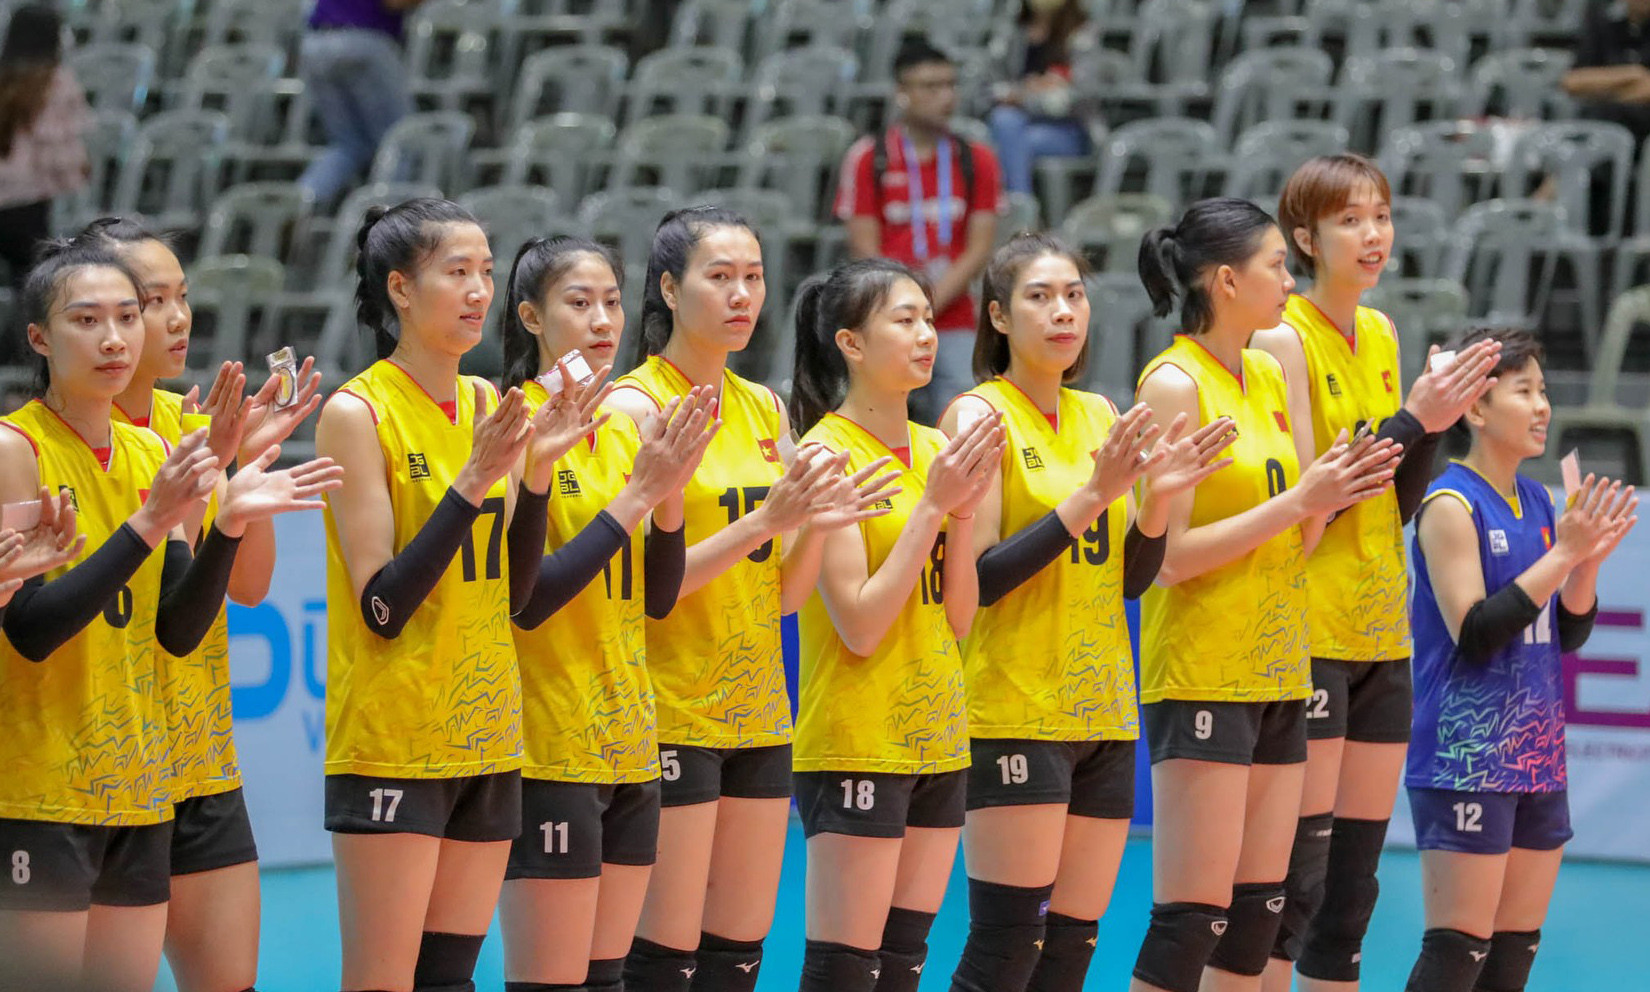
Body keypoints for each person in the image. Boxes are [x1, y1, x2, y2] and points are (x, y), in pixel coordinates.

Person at [0, 237, 339, 992]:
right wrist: (152, 521)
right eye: (88, 319)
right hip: (40, 790)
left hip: (143, 789)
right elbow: (29, 632)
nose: (116, 338)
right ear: (39, 338)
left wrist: (228, 518)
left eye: (129, 316)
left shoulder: (154, 450)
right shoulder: (15, 448)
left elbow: (179, 629)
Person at [313, 197, 612, 992]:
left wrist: (536, 476)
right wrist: (474, 481)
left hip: (490, 737)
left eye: (485, 271)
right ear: (401, 289)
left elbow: (518, 591)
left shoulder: (487, 402)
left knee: (450, 979)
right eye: (457, 272)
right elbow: (382, 606)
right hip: (393, 739)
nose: (480, 290)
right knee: (383, 980)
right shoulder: (356, 412)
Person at [607, 207, 893, 992]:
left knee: (737, 955)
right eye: (720, 277)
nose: (741, 295)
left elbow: (783, 599)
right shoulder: (632, 408)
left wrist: (814, 527)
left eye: (754, 277)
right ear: (670, 289)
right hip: (666, 710)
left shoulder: (764, 407)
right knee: (664, 960)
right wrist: (767, 522)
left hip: (760, 712)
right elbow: (642, 590)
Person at [941, 233, 1235, 992]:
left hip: (1104, 713)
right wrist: (1094, 495)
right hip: (1015, 708)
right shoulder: (976, 416)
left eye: (1073, 295)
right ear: (998, 317)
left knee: (1071, 948)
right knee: (1008, 946)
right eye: (1040, 297)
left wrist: (1159, 500)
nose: (1063, 312)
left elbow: (1129, 580)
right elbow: (981, 579)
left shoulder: (1101, 412)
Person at [1127, 198, 1402, 992]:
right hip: (1205, 668)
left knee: (1264, 913)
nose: (1289, 280)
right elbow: (1167, 560)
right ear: (1225, 280)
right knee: (1192, 919)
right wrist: (1300, 503)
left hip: (1281, 665)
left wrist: (1329, 495)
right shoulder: (1173, 384)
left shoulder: (1270, 371)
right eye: (1276, 265)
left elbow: (1300, 532)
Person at [1249, 156, 1503, 992]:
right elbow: (1308, 503)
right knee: (1295, 881)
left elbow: (1391, 502)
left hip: (1381, 630)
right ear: (1304, 237)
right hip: (1308, 629)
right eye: (1350, 220)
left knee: (1352, 890)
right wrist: (1413, 418)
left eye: (1382, 217)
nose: (1373, 235)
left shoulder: (1385, 333)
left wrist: (1428, 425)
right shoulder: (1281, 338)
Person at [495, 234, 717, 992]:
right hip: (547, 745)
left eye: (613, 303)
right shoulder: (513, 426)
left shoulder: (625, 426)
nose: (602, 320)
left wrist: (670, 491)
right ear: (531, 316)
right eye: (579, 302)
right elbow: (528, 600)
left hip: (630, 741)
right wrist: (639, 496)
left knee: (610, 979)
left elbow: (658, 596)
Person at [786, 258, 1001, 992]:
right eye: (904, 320)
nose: (926, 335)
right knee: (846, 969)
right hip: (857, 738)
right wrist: (934, 508)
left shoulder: (937, 450)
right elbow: (860, 625)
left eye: (929, 320)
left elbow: (960, 619)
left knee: (904, 963)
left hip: (939, 737)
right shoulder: (824, 454)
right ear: (850, 343)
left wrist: (961, 516)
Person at [1404, 328, 1636, 992]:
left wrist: (1585, 565)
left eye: (1544, 391)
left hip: (1537, 756)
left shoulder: (1537, 502)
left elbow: (1563, 635)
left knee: (1512, 958)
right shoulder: (1450, 504)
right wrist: (1563, 555)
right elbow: (1476, 632)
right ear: (1476, 408)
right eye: (1524, 391)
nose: (1543, 407)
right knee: (1458, 953)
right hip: (1465, 757)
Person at [836, 35, 1003, 424]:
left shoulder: (977, 159)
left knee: (967, 416)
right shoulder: (868, 159)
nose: (945, 97)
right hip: (886, 316)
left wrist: (928, 306)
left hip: (955, 317)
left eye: (950, 85)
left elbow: (979, 248)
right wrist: (908, 309)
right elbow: (864, 250)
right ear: (902, 93)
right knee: (876, 418)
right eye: (930, 86)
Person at [0, 3, 88, 359]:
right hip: (28, 205)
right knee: (32, 286)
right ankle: (26, 361)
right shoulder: (55, 82)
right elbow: (59, 153)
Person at [297, 0, 424, 208]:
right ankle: (391, 214)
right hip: (362, 42)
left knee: (349, 145)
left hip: (315, 44)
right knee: (400, 140)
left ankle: (301, 204)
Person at [987, 0, 1097, 196]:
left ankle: (1018, 203)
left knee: (1009, 139)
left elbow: (1082, 98)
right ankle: (1021, 204)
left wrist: (1026, 98)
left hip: (1068, 130)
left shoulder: (1082, 34)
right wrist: (1029, 91)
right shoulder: (1012, 33)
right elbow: (990, 87)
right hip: (1016, 123)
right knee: (1005, 122)